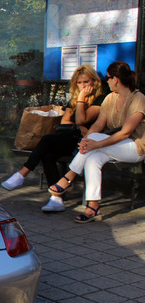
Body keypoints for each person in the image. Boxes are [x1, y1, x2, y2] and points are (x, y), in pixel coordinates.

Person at [47, 61, 145, 223]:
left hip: (136, 147)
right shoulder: (110, 98)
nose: (106, 81)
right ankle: (93, 206)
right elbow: (99, 125)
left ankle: (67, 178)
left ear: (115, 79)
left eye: (108, 78)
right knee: (92, 158)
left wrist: (94, 143)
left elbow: (126, 132)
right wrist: (86, 141)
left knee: (94, 143)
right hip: (114, 145)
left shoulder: (138, 98)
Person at [1, 65, 105, 212]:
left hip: (87, 142)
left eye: (86, 82)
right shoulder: (74, 100)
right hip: (71, 137)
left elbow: (82, 119)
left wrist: (81, 101)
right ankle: (56, 199)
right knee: (47, 153)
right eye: (79, 83)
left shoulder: (100, 99)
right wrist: (79, 125)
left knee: (47, 141)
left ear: (94, 82)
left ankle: (23, 174)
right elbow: (65, 121)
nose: (83, 86)